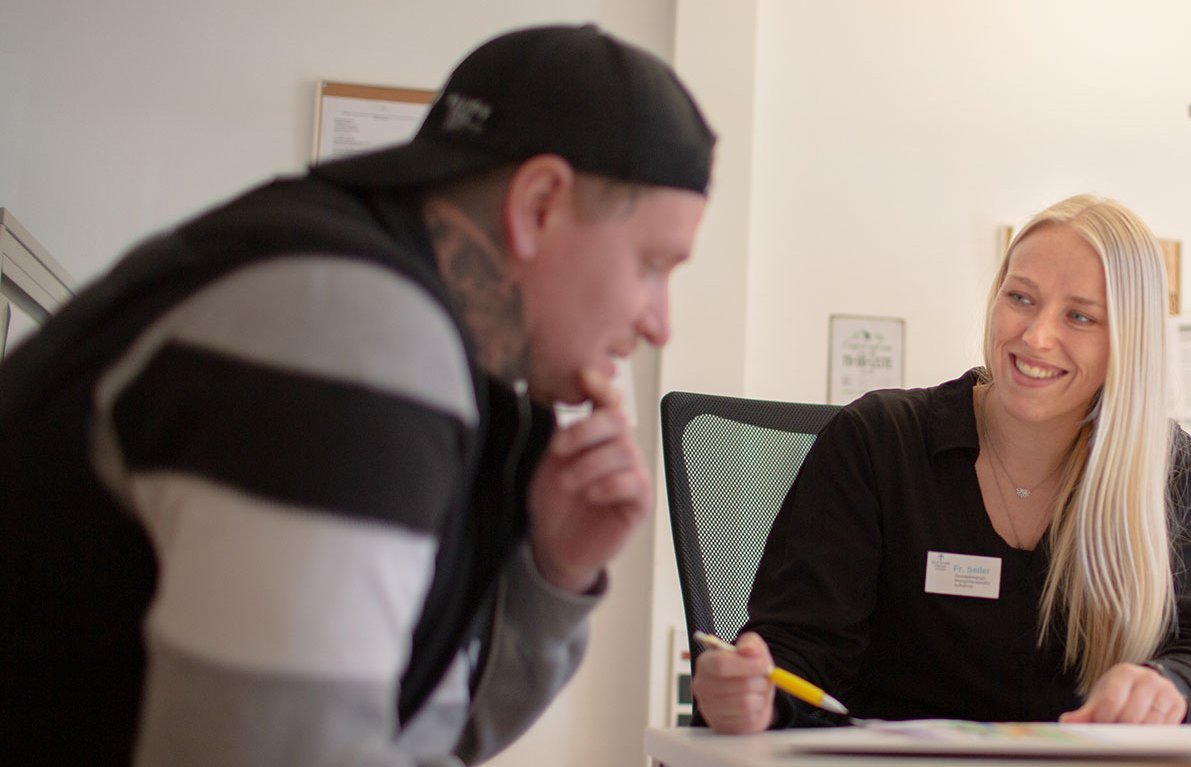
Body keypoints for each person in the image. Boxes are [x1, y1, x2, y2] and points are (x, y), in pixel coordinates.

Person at [0, 24, 714, 765]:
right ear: (538, 204)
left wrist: (551, 574)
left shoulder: (403, 332)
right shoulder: (351, 330)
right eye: (654, 264)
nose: (658, 322)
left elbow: (414, 734)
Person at [691, 195, 1191, 732]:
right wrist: (752, 696)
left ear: (1129, 343)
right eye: (1021, 298)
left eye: (1079, 316)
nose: (1036, 335)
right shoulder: (878, 442)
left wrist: (1170, 684)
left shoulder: (1163, 468)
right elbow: (795, 658)